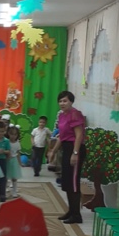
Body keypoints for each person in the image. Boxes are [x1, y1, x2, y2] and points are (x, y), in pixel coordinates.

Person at [48, 91, 86, 224]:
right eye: (60, 101)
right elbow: (62, 136)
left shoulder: (75, 114)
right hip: (66, 148)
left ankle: (76, 215)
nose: (62, 103)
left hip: (75, 148)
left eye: (65, 101)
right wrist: (53, 151)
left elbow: (79, 135)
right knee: (67, 182)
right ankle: (71, 210)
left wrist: (75, 153)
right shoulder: (62, 115)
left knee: (73, 183)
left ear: (71, 101)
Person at [6, 125, 23, 198]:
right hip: (7, 161)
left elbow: (18, 153)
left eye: (15, 134)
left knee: (14, 177)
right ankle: (5, 189)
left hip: (14, 161)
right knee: (6, 176)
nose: (13, 136)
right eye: (11, 134)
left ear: (17, 135)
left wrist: (20, 162)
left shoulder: (17, 143)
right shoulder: (7, 142)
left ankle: (14, 191)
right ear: (8, 134)